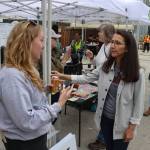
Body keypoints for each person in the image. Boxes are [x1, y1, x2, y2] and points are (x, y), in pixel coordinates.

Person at [52, 30, 145, 150]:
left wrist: (132, 128)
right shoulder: (105, 66)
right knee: (109, 147)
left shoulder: (138, 73)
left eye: (118, 43)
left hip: (122, 124)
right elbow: (86, 77)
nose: (112, 46)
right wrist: (63, 76)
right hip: (105, 120)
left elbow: (139, 104)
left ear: (127, 48)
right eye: (112, 42)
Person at [0, 21, 73, 150]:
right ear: (27, 42)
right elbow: (27, 121)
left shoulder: (25, 69)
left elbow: (27, 97)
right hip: (24, 144)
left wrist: (44, 90)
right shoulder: (12, 75)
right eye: (41, 40)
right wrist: (58, 105)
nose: (44, 46)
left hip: (33, 139)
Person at [86, 23, 115, 150]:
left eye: (100, 32)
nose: (98, 34)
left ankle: (103, 140)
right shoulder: (103, 45)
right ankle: (102, 138)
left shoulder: (111, 48)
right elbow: (99, 65)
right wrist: (92, 58)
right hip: (100, 83)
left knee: (105, 113)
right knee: (102, 113)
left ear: (107, 34)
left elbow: (108, 68)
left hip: (108, 86)